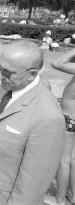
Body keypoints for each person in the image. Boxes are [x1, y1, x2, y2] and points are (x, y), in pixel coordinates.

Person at [0, 40, 66, 205]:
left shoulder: (49, 117)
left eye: (8, 72)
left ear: (31, 74)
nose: (1, 76)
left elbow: (32, 185)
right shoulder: (6, 87)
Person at [51, 48, 75, 205]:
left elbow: (57, 63)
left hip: (69, 119)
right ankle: (73, 195)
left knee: (64, 161)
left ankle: (60, 199)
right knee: (73, 159)